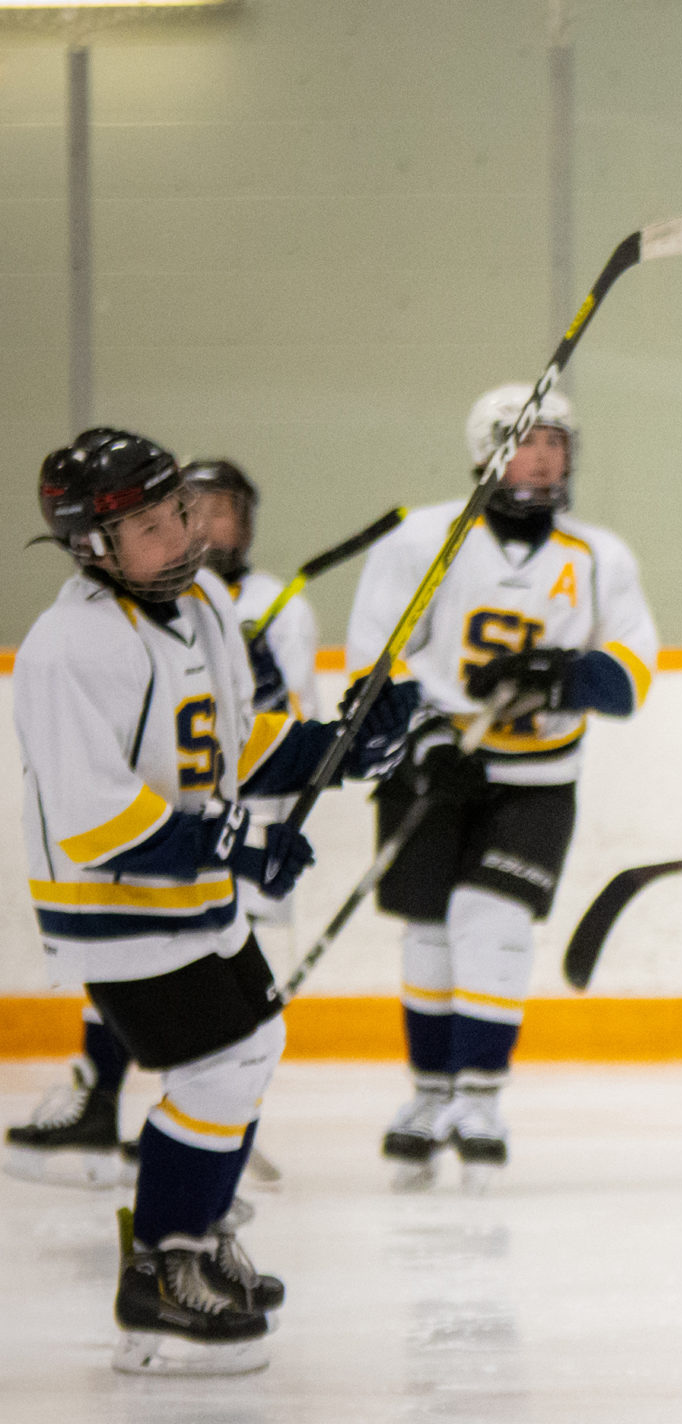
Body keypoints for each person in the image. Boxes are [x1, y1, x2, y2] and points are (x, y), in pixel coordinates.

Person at [16, 427, 414, 1371]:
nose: (182, 537)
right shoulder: (69, 648)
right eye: (152, 527)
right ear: (93, 547)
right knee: (217, 1065)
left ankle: (196, 1238)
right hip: (114, 907)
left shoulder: (202, 605)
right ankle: (163, 1270)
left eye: (180, 512)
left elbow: (230, 747)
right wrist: (237, 845)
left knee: (252, 1048)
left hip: (189, 893)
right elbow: (96, 823)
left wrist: (341, 745)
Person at [346, 384, 657, 1191]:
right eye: (526, 443)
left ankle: (480, 1100)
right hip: (433, 766)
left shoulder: (599, 557)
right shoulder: (425, 540)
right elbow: (374, 657)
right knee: (429, 933)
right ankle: (430, 1094)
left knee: (492, 922)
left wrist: (564, 676)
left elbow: (631, 676)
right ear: (487, 451)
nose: (545, 459)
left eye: (556, 443)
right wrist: (424, 738)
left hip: (537, 780)